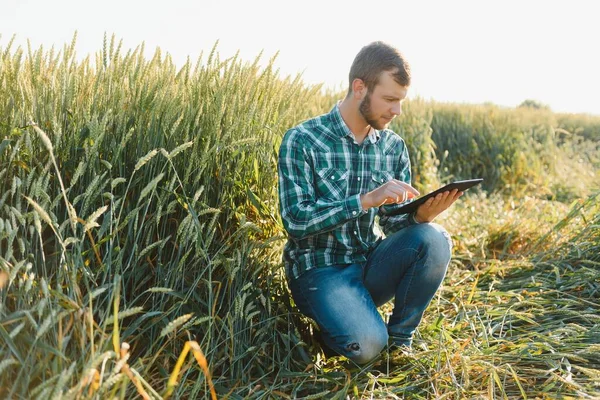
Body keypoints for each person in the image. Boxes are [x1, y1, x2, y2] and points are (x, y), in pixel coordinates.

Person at [277, 41, 462, 365]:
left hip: (370, 260)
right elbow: (295, 221)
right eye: (389, 99)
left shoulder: (392, 147)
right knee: (367, 346)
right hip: (320, 270)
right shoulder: (303, 139)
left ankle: (400, 342)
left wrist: (419, 216)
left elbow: (392, 223)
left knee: (434, 238)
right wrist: (364, 201)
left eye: (400, 101)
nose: (396, 111)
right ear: (359, 88)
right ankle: (338, 330)